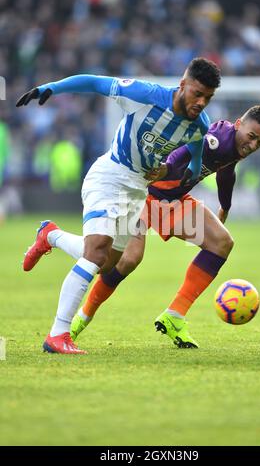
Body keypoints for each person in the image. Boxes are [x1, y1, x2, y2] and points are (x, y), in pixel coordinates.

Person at [22, 105, 260, 349]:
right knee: (124, 260)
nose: (253, 145)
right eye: (252, 137)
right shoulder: (218, 138)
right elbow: (186, 151)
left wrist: (225, 207)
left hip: (172, 201)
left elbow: (226, 171)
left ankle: (174, 316)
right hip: (143, 195)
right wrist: (166, 167)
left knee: (222, 242)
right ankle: (78, 315)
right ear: (239, 124)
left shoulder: (235, 145)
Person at [17, 57, 221, 354]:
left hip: (137, 190)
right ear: (183, 85)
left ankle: (50, 235)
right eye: (197, 93)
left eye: (208, 97)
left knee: (107, 263)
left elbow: (196, 153)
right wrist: (51, 88)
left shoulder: (199, 125)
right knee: (96, 249)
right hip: (110, 176)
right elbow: (95, 82)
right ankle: (57, 334)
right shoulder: (145, 95)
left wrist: (172, 171)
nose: (201, 102)